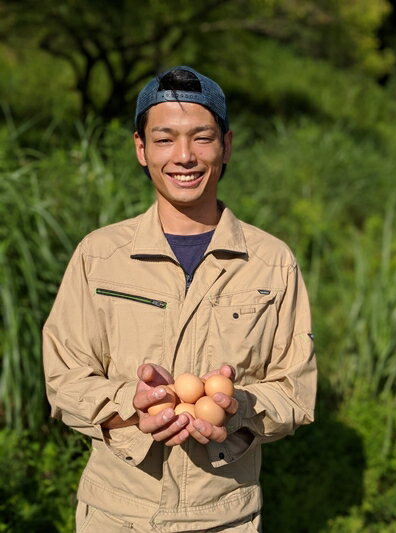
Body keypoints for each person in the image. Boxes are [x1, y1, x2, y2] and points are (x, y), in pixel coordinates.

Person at [42, 66, 317, 532]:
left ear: (226, 146)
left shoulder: (272, 262)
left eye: (202, 138)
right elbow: (63, 377)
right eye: (165, 139)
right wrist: (127, 403)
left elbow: (296, 389)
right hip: (115, 516)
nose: (184, 156)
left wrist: (238, 409)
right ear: (141, 148)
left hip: (226, 517)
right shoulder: (100, 255)